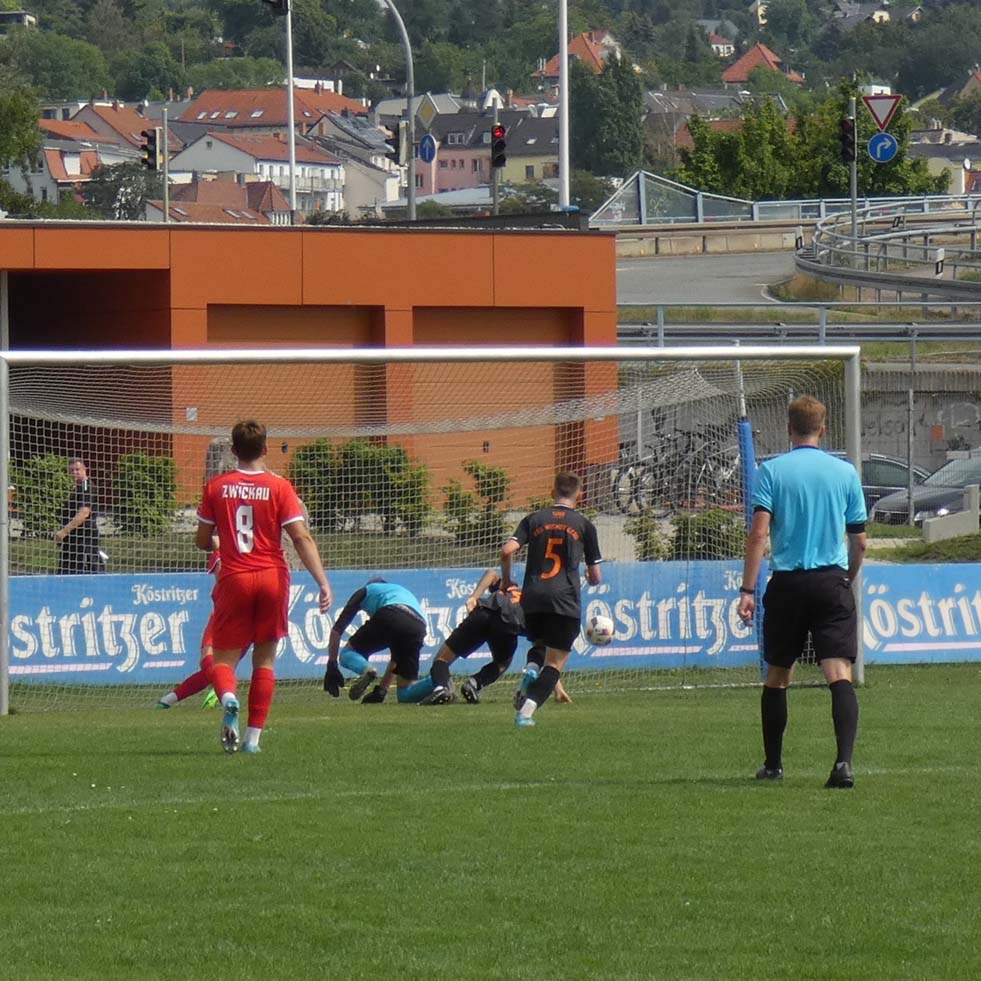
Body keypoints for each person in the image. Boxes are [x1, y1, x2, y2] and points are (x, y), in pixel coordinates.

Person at [737, 395, 867, 789]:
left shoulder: (771, 471)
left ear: (788, 428)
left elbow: (759, 533)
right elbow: (859, 540)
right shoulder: (844, 472)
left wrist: (747, 589)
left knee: (778, 674)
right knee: (838, 673)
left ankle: (774, 765)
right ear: (823, 429)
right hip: (831, 581)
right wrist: (846, 577)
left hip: (788, 583)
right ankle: (843, 764)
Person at [196, 420, 332, 754]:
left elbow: (202, 540)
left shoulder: (216, 486)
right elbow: (300, 537)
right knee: (265, 660)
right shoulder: (280, 486)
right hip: (272, 576)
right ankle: (252, 741)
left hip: (235, 577)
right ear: (266, 449)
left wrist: (219, 539)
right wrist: (322, 582)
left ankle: (229, 697)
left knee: (224, 659)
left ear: (233, 451)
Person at [502, 472, 602, 727]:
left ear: (552, 491)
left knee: (540, 643)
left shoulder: (534, 519)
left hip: (533, 599)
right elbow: (595, 576)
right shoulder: (584, 525)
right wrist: (589, 578)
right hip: (564, 600)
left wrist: (506, 580)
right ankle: (525, 714)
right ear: (579, 495)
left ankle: (531, 668)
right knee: (555, 664)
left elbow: (507, 550)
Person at [421, 569, 571, 706]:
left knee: (442, 659)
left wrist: (473, 597)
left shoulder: (512, 589)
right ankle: (474, 683)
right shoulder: (538, 611)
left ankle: (441, 688)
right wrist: (557, 688)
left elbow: (491, 573)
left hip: (484, 612)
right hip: (508, 625)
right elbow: (546, 656)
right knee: (502, 663)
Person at [323, 579, 432, 704]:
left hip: (391, 613)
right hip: (419, 626)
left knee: (347, 654)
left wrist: (332, 664)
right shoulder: (400, 591)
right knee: (405, 694)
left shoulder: (366, 590)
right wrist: (381, 691)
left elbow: (337, 630)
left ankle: (367, 669)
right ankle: (439, 681)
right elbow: (396, 660)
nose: (368, 613)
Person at [54, 458, 105, 574]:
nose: (74, 473)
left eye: (77, 469)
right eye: (71, 470)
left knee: (87, 570)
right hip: (73, 539)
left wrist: (64, 531)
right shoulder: (77, 488)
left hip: (84, 538)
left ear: (84, 469)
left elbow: (84, 513)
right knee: (67, 571)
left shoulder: (86, 487)